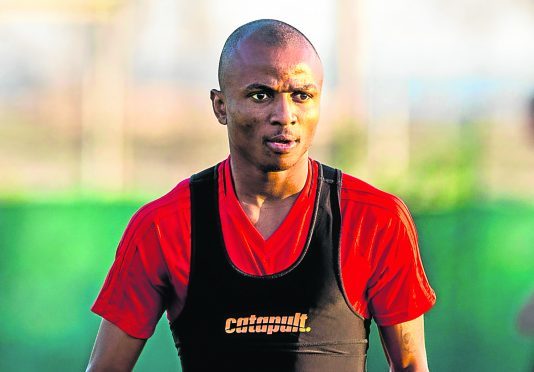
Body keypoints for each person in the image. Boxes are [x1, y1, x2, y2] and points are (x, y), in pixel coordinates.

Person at [86, 19, 436, 372]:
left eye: (302, 95)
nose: (285, 116)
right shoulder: (163, 226)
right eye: (260, 95)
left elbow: (410, 365)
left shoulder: (375, 220)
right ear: (221, 106)